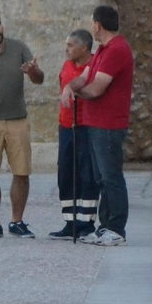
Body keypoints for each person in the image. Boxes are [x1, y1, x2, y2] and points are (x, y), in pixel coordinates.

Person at [61, 5, 133, 246]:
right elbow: (85, 77)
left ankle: (117, 228)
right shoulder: (103, 50)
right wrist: (70, 86)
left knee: (111, 177)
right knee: (101, 178)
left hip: (108, 125)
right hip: (95, 123)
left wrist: (75, 94)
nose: (92, 26)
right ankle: (105, 227)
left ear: (98, 25)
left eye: (93, 22)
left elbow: (96, 89)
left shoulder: (117, 50)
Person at [0, 9, 44, 239]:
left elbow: (39, 79)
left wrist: (33, 72)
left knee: (22, 172)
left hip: (17, 120)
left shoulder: (18, 48)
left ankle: (17, 221)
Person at [49, 29, 98, 240]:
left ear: (84, 48)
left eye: (70, 45)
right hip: (66, 126)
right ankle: (70, 222)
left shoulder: (95, 66)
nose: (66, 49)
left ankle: (86, 223)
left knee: (87, 174)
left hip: (86, 126)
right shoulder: (67, 65)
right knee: (65, 173)